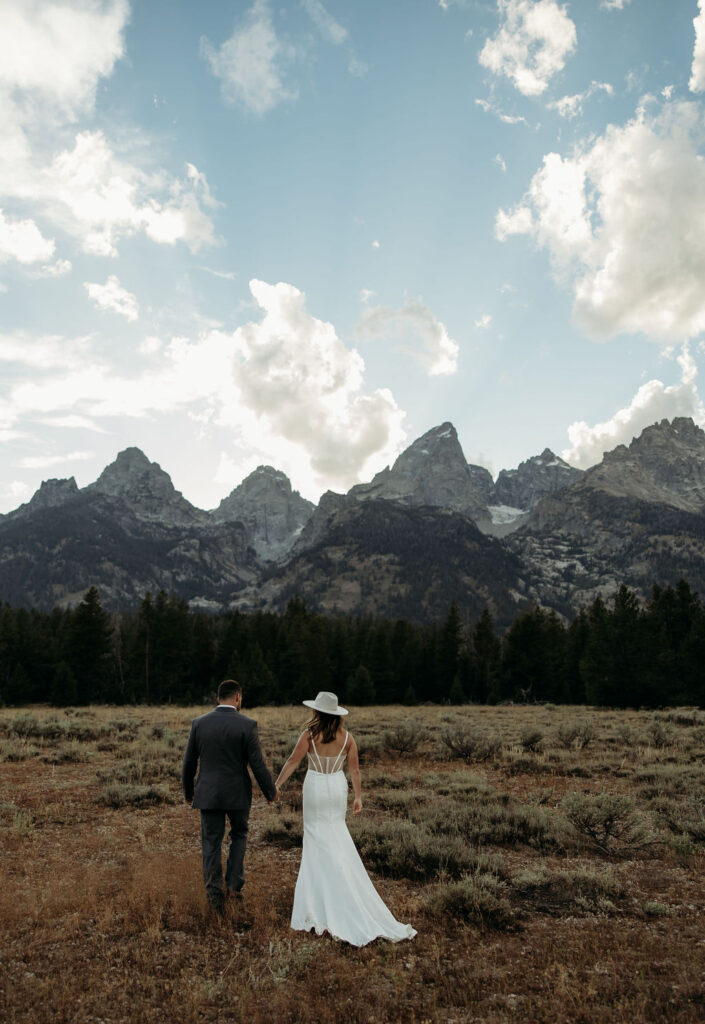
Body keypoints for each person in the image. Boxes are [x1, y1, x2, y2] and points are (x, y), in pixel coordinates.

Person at [275, 690, 416, 946]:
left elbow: (293, 761)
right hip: (337, 788)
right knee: (337, 835)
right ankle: (341, 888)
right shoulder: (348, 738)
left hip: (316, 787)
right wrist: (358, 798)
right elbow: (355, 770)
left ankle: (318, 902)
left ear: (317, 712)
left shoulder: (309, 735)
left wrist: (276, 785)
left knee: (316, 840)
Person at [182, 678, 278, 915]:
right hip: (237, 794)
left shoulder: (199, 724)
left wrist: (189, 792)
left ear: (218, 698)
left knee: (211, 843)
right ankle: (234, 889)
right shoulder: (247, 725)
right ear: (237, 698)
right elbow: (257, 765)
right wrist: (270, 792)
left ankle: (214, 898)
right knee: (239, 836)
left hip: (209, 793)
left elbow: (188, 762)